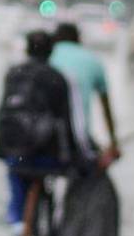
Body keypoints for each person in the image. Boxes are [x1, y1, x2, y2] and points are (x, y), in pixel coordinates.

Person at [0, 30, 75, 236]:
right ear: (51, 51)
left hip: (17, 152)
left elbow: (2, 112)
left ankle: (20, 229)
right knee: (59, 181)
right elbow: (66, 121)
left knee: (16, 179)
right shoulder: (57, 78)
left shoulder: (14, 74)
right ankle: (52, 229)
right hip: (48, 155)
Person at [50, 23, 120, 164]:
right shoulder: (92, 60)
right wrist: (113, 142)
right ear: (78, 39)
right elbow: (106, 108)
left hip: (37, 138)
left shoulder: (47, 56)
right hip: (77, 138)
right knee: (94, 172)